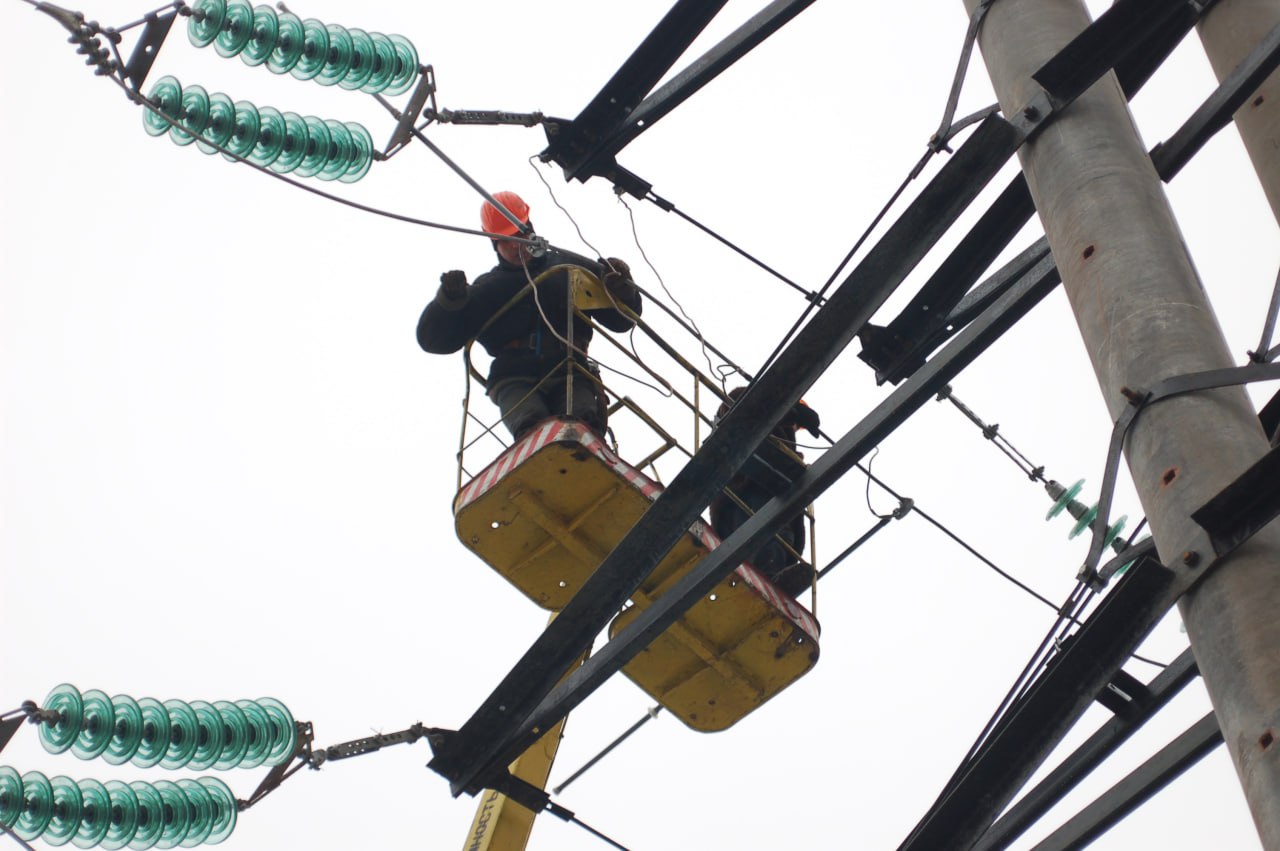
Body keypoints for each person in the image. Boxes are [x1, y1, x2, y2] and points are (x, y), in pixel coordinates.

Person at [417, 191, 642, 440]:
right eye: (507, 240)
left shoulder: (568, 268)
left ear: (530, 228)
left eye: (520, 234)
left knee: (583, 427)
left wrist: (622, 288)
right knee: (532, 428)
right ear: (495, 244)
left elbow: (622, 320)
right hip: (515, 376)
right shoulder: (489, 288)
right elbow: (433, 340)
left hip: (570, 369)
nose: (516, 245)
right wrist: (448, 301)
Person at [708, 388, 821, 597]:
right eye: (797, 424)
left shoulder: (787, 440)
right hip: (745, 491)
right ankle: (769, 581)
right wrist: (793, 412)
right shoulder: (745, 397)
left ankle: (776, 583)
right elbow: (739, 402)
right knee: (763, 533)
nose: (795, 427)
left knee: (780, 538)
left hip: (770, 498)